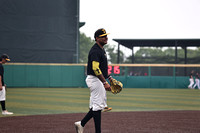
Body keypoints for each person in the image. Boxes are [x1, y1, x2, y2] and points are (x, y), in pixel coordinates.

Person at [74, 28, 113, 133]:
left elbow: (102, 67)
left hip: (97, 79)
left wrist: (109, 77)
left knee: (96, 107)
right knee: (97, 107)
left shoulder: (101, 49)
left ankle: (81, 124)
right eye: (103, 36)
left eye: (106, 36)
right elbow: (96, 68)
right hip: (95, 80)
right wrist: (105, 82)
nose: (106, 38)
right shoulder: (95, 50)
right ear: (97, 38)